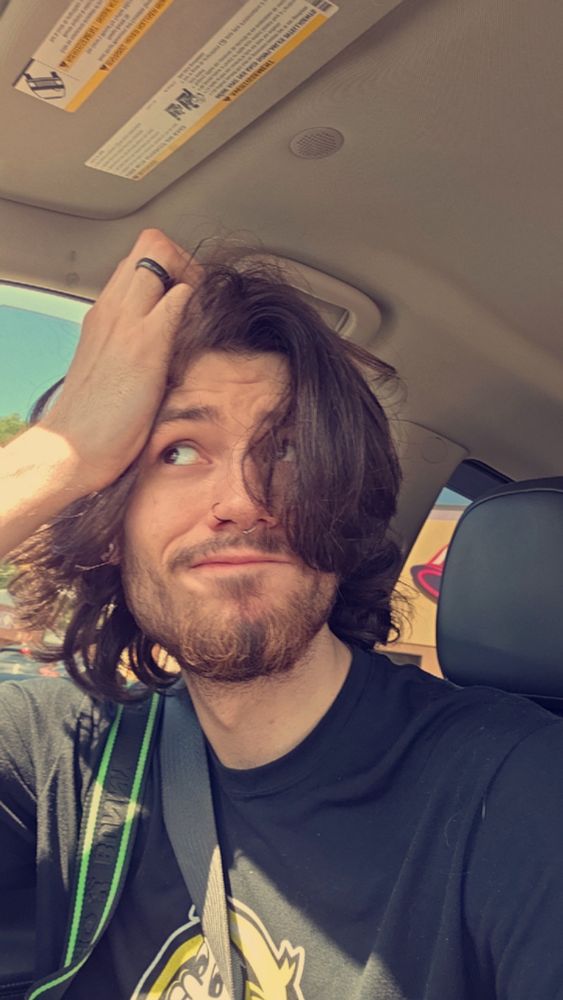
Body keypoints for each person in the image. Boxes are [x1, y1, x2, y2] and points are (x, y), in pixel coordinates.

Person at [1, 229, 563, 1000]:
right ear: (109, 525)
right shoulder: (57, 757)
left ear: (347, 503)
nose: (241, 500)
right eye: (177, 451)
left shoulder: (520, 791)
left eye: (289, 449)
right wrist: (62, 453)